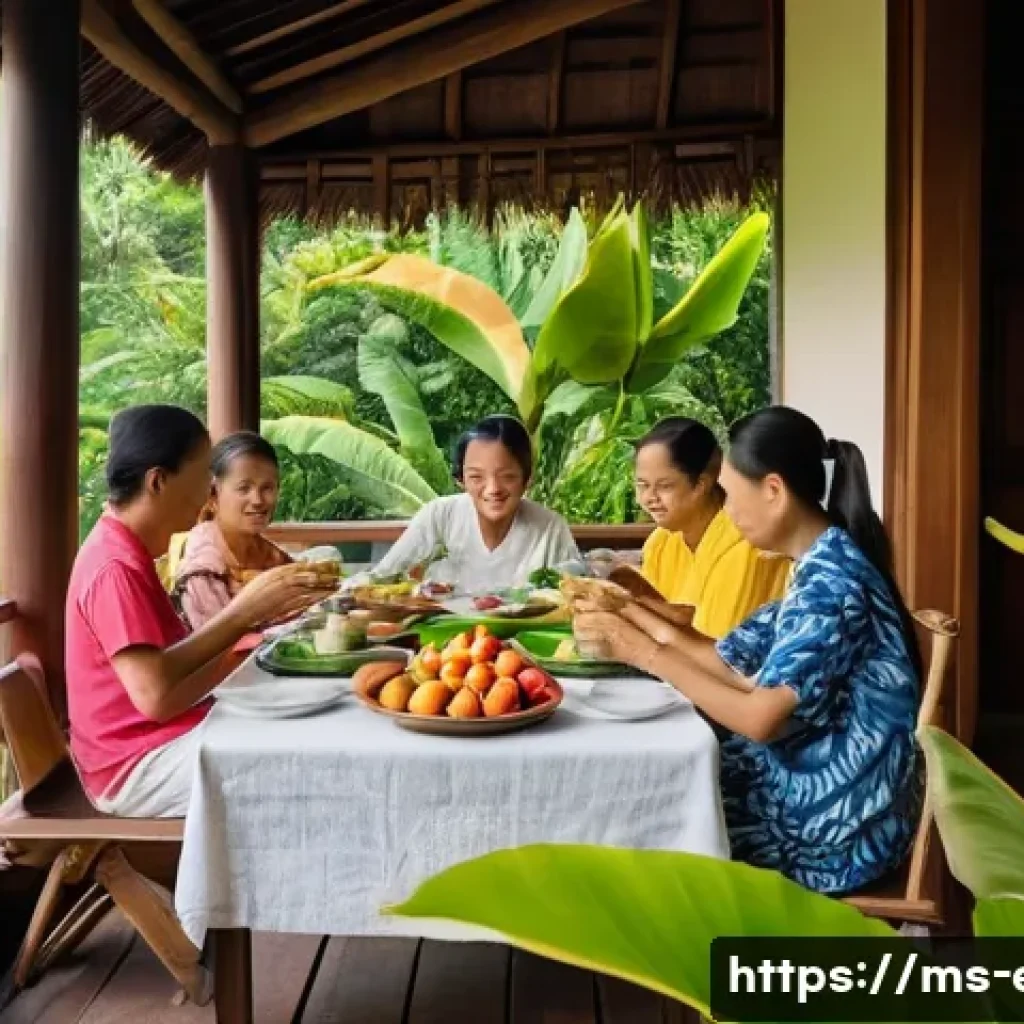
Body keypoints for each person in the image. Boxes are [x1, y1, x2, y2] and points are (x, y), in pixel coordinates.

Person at [571, 406, 923, 894]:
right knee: (650, 776)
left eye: (732, 497)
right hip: (831, 791)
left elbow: (761, 718)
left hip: (838, 827)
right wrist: (627, 611)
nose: (730, 513)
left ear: (773, 491)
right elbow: (727, 661)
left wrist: (642, 653)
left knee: (644, 798)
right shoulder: (818, 562)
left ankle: (653, 922)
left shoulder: (833, 583)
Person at [66, 405, 337, 818]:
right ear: (158, 481)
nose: (206, 494)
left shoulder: (125, 550)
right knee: (307, 763)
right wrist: (244, 614)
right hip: (134, 767)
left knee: (311, 731)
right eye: (201, 478)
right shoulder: (113, 567)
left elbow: (174, 674)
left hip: (163, 736)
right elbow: (155, 696)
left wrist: (256, 634)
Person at [362, 415, 581, 593]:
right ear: (461, 480)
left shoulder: (550, 528)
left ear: (528, 479)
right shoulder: (439, 515)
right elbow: (382, 576)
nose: (493, 489)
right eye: (476, 477)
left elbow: (574, 589)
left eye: (507, 476)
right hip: (444, 631)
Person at [625, 417, 790, 638]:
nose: (649, 497)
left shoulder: (745, 542)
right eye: (642, 485)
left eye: (664, 486)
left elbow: (719, 648)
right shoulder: (660, 543)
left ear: (701, 484)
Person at [171, 431, 294, 630]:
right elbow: (213, 643)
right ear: (213, 495)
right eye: (244, 488)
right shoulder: (203, 568)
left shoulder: (270, 555)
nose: (258, 500)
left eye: (267, 488)